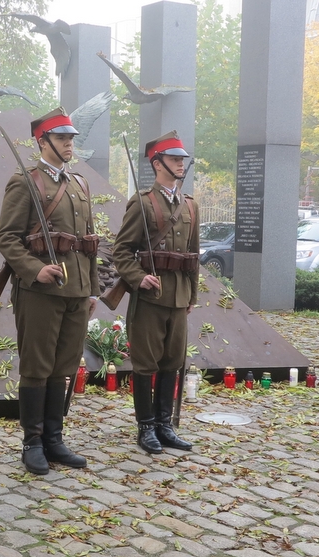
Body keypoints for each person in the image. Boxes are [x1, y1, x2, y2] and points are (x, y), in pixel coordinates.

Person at [0, 107, 99, 474]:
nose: (70, 143)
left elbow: (88, 243)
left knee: (63, 367)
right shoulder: (26, 181)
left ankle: (55, 439)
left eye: (71, 138)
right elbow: (6, 238)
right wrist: (36, 269)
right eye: (62, 138)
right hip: (39, 292)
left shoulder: (80, 183)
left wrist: (91, 290)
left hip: (75, 291)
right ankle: (32, 442)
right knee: (37, 368)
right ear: (43, 142)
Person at [112, 131, 197, 454]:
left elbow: (193, 256)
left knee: (172, 362)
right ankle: (145, 427)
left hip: (178, 297)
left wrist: (191, 297)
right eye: (174, 158)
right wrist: (138, 277)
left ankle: (165, 425)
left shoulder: (191, 205)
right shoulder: (143, 203)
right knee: (146, 363)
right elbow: (122, 251)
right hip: (150, 296)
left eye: (182, 159)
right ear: (157, 163)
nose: (180, 163)